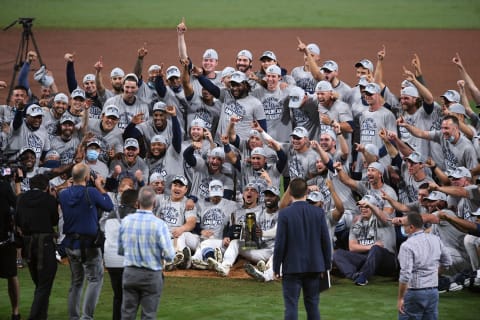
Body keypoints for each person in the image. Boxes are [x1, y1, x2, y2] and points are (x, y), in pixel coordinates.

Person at [58, 163, 114, 320]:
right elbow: (109, 206)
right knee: (95, 279)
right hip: (89, 245)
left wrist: (70, 185)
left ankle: (74, 317)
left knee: (76, 282)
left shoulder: (63, 194)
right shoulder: (91, 192)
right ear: (87, 177)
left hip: (70, 244)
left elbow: (70, 200)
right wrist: (99, 187)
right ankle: (86, 317)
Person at [273, 178, 331, 320]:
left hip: (292, 267)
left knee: (291, 306)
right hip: (314, 266)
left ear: (290, 192)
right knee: (312, 305)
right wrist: (326, 266)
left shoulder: (285, 214)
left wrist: (276, 267)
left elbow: (280, 243)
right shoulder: (318, 213)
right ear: (307, 192)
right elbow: (326, 241)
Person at [118, 186, 175, 320]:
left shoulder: (126, 221)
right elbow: (169, 255)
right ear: (154, 203)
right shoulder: (159, 224)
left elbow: (121, 250)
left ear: (137, 202)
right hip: (151, 274)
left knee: (127, 315)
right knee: (149, 315)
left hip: (130, 273)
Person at [15, 174, 58, 320]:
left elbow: (18, 221)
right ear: (46, 187)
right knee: (43, 286)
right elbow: (54, 220)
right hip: (44, 244)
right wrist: (53, 199)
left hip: (28, 245)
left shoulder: (21, 199)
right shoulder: (49, 199)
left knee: (39, 284)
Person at [397, 212, 452, 320]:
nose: (403, 228)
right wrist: (434, 274)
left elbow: (405, 275)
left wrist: (400, 298)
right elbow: (448, 262)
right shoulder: (435, 239)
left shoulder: (407, 245)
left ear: (411, 227)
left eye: (404, 225)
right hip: (433, 292)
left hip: (414, 292)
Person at [104, 188, 138, 320]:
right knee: (131, 297)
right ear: (136, 202)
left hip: (111, 261)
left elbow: (102, 234)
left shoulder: (111, 214)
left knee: (118, 296)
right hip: (128, 261)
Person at [0, 177, 20, 320]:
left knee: (12, 275)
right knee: (12, 276)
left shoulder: (4, 185)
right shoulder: (5, 185)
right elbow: (16, 204)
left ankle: (16, 312)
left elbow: (16, 205)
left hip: (4, 239)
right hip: (4, 239)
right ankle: (15, 312)